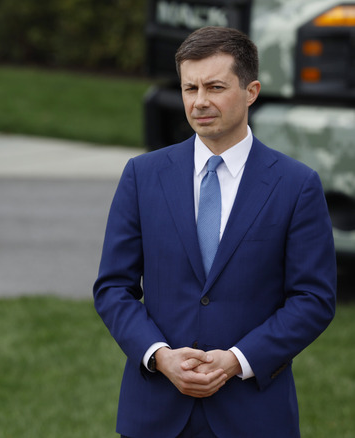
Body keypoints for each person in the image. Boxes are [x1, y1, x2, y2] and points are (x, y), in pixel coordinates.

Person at [93, 26, 336, 437]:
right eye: (190, 88)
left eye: (215, 87)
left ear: (251, 91)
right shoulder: (143, 175)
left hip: (254, 414)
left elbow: (313, 298)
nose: (200, 102)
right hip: (155, 411)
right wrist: (159, 355)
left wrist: (239, 359)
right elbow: (113, 286)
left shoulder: (296, 185)